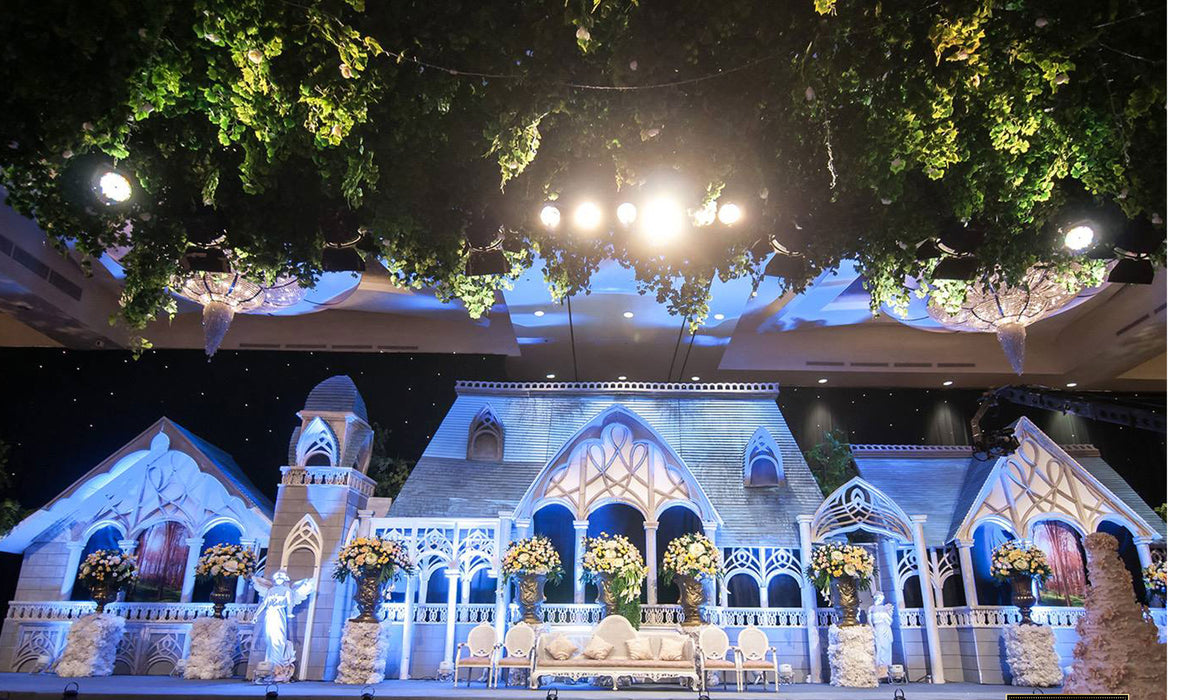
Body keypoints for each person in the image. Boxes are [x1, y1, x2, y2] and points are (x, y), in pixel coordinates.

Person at [250, 570, 315, 682]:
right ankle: (270, 667)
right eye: (277, 578)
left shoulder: (287, 591)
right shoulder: (271, 590)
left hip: (279, 614)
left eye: (281, 578)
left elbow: (289, 603)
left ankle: (277, 666)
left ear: (284, 579)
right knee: (270, 638)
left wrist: (289, 613)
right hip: (270, 614)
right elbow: (264, 604)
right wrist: (256, 615)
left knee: (278, 639)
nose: (279, 580)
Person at [867, 591, 895, 678]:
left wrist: (889, 610)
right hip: (877, 628)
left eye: (881, 597)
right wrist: (872, 629)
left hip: (885, 628)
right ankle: (878, 668)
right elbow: (869, 620)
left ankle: (886, 669)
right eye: (878, 597)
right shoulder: (871, 608)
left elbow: (890, 620)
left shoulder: (885, 607)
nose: (880, 599)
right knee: (878, 648)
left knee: (886, 648)